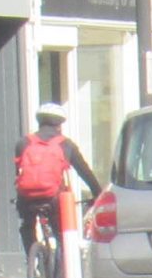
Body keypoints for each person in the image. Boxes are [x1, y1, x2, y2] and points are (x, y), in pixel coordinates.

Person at [13, 102, 103, 265]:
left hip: (27, 198)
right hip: (53, 199)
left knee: (27, 226)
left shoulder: (23, 143)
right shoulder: (65, 144)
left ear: (39, 121)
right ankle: (61, 275)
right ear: (60, 125)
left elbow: (19, 174)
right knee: (62, 233)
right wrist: (98, 193)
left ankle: (34, 263)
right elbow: (85, 172)